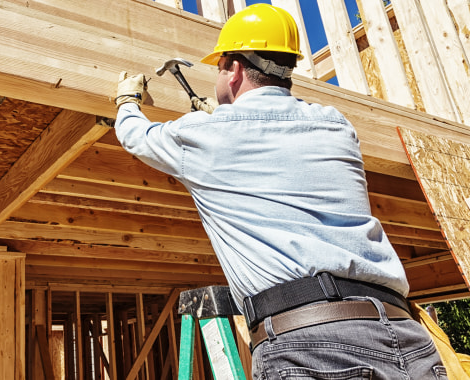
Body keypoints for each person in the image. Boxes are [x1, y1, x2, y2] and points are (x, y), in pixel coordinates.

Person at [113, 4, 446, 379]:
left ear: (234, 69)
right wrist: (219, 119)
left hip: (312, 345)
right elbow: (276, 152)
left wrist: (127, 101)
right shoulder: (336, 125)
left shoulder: (204, 135)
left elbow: (137, 137)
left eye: (218, 67)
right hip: (404, 335)